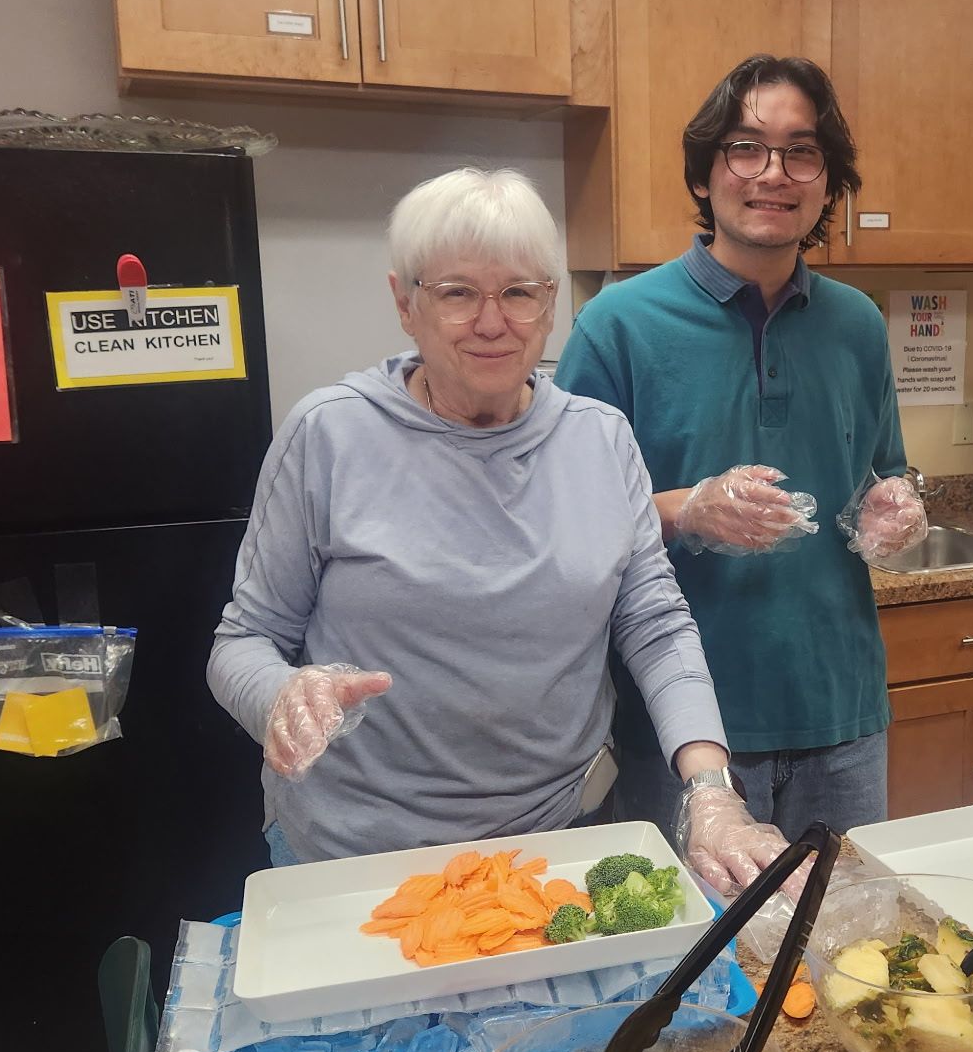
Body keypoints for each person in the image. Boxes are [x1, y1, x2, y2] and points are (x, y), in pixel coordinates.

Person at [208, 167, 788, 895]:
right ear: (404, 303)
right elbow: (241, 641)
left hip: (554, 849)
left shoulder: (600, 440)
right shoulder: (329, 435)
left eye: (520, 292)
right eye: (456, 293)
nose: (492, 322)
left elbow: (656, 625)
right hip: (351, 856)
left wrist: (712, 791)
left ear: (551, 306)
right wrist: (281, 697)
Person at [554, 53, 926, 845]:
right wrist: (684, 509)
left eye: (802, 152)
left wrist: (895, 506)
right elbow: (561, 533)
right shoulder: (618, 327)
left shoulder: (857, 324)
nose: (773, 174)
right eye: (747, 148)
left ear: (827, 182)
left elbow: (883, 473)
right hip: (685, 731)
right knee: (702, 964)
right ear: (705, 174)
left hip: (843, 713)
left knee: (837, 950)